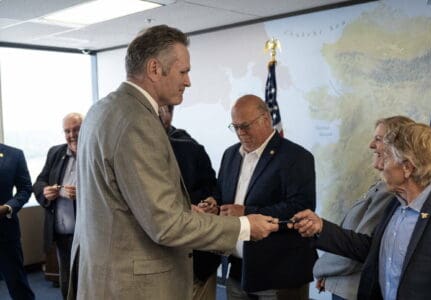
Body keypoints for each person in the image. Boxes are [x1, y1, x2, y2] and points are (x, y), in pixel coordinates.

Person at [69, 25, 278, 300]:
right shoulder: (137, 122)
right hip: (133, 287)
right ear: (155, 69)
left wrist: (182, 209)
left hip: (103, 276)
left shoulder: (102, 109)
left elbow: (120, 200)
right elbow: (166, 226)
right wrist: (245, 226)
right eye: (183, 72)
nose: (188, 81)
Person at [292, 123, 431, 300]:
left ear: (407, 168)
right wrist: (321, 228)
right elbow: (372, 248)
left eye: (386, 158)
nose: (380, 165)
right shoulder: (396, 202)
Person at [216, 94, 317, 300]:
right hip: (237, 270)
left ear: (266, 120)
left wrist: (247, 212)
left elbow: (301, 208)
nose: (240, 133)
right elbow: (222, 196)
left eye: (245, 126)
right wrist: (212, 205)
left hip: (279, 272)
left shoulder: (296, 157)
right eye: (235, 127)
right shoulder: (230, 155)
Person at [312, 116, 414, 300]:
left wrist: (323, 269)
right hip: (344, 286)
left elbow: (362, 247)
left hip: (354, 290)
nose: (371, 145)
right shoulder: (383, 186)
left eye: (378, 139)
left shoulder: (389, 191)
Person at [159, 104, 220, 299]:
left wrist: (213, 201)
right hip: (155, 258)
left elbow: (213, 186)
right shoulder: (132, 148)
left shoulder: (190, 147)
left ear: (169, 113)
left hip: (196, 256)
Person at [32, 113, 82, 298]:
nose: (72, 135)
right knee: (66, 282)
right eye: (67, 131)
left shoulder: (94, 152)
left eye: (76, 129)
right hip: (61, 235)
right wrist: (45, 191)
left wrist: (82, 194)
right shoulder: (55, 153)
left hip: (87, 235)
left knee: (87, 282)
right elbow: (39, 182)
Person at [0, 143, 35, 300]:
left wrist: (8, 207)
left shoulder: (14, 154)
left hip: (5, 232)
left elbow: (25, 188)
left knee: (18, 285)